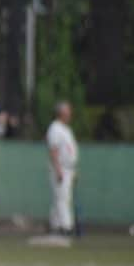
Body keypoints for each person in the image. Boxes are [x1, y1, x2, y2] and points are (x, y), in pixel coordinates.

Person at [46, 101, 78, 236]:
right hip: (60, 168)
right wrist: (58, 169)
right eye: (68, 111)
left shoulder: (66, 129)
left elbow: (71, 151)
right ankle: (66, 226)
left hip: (68, 168)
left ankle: (55, 225)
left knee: (61, 197)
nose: (70, 114)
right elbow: (53, 150)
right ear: (61, 113)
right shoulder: (55, 128)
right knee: (62, 198)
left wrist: (74, 169)